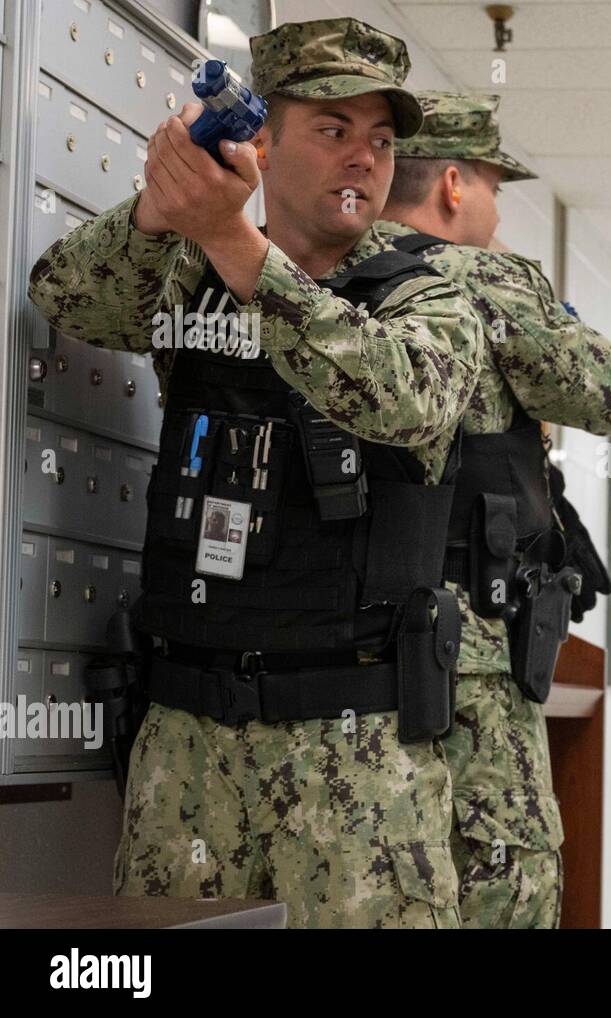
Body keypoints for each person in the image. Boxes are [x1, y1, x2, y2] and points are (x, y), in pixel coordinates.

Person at [27, 17, 488, 928]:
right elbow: (65, 295)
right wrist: (160, 211)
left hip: (359, 755)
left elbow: (399, 398)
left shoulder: (431, 293)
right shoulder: (187, 274)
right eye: (333, 129)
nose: (364, 159)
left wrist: (234, 244)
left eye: (383, 141)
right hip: (188, 738)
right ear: (262, 141)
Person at [377, 90, 611, 928]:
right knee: (506, 876)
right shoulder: (482, 275)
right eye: (495, 187)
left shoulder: (315, 265)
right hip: (470, 646)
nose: (498, 210)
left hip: (344, 643)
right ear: (454, 184)